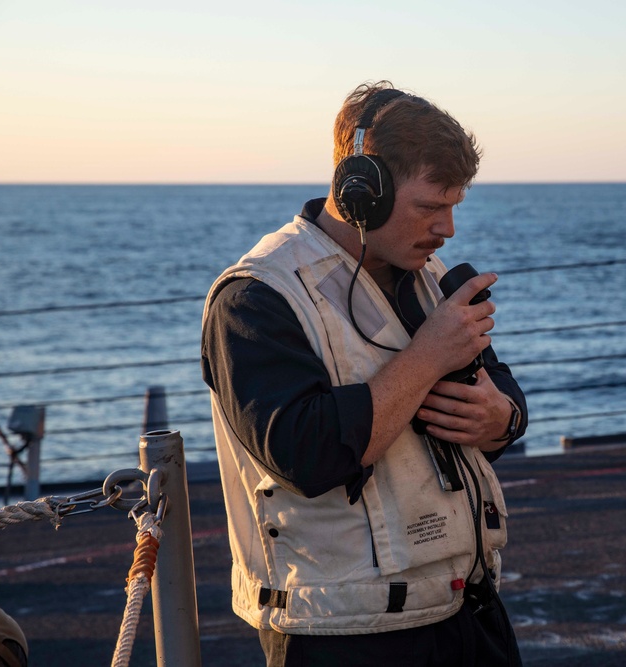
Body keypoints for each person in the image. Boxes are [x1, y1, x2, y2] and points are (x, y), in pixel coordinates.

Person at [201, 81, 527, 666]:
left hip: (468, 610)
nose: (447, 228)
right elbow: (309, 455)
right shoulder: (255, 296)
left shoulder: (429, 275)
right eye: (430, 207)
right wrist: (428, 356)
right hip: (344, 636)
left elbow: (498, 387)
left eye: (454, 206)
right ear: (361, 192)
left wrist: (500, 418)